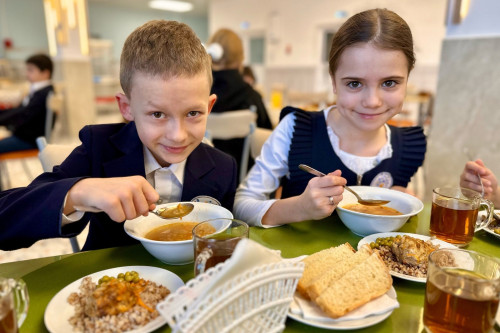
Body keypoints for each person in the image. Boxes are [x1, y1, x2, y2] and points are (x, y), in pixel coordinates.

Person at [0, 20, 237, 251]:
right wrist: (78, 192)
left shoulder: (224, 168)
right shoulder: (99, 148)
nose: (177, 136)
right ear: (126, 108)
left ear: (210, 107)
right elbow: (6, 219)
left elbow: (221, 245)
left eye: (193, 113)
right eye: (157, 114)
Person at [234, 8, 427, 227]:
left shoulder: (408, 146)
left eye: (389, 82)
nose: (372, 101)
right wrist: (299, 207)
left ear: (407, 79)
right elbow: (241, 206)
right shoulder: (297, 129)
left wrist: (401, 199)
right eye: (354, 83)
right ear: (334, 82)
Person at [207, 28, 273, 175]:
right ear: (240, 58)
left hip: (200, 176)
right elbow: (268, 138)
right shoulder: (251, 96)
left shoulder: (198, 94)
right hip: (241, 178)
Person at [0, 54, 54, 152]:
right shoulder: (41, 90)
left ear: (45, 73)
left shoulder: (44, 94)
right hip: (25, 136)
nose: (27, 73)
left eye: (31, 70)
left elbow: (23, 114)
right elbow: (20, 111)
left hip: (29, 140)